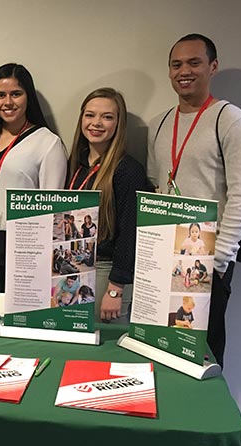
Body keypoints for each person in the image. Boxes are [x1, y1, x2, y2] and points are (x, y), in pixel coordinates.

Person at [148, 34, 241, 366]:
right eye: (176, 64)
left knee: (203, 349)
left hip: (208, 256)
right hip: (166, 254)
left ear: (212, 67)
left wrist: (220, 261)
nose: (185, 71)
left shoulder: (231, 120)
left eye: (194, 62)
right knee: (164, 343)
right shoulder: (160, 123)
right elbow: (156, 189)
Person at [0, 63, 66, 292]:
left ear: (28, 97)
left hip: (22, 248)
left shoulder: (48, 143)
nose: (8, 102)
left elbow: (51, 210)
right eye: (0, 95)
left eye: (16, 94)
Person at [66, 88, 153, 323]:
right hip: (76, 268)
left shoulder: (127, 170)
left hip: (107, 273)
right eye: (90, 115)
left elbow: (130, 233)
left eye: (107, 117)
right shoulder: (74, 164)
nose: (96, 123)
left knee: (102, 354)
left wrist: (115, 289)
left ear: (118, 123)